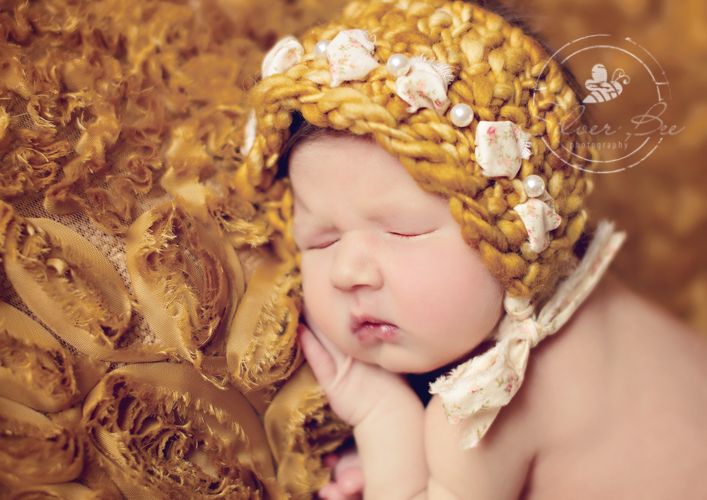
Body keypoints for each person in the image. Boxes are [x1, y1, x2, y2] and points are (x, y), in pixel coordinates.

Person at [237, 0, 707, 498]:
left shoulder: (481, 410)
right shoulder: (589, 292)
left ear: (514, 241)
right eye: (321, 238)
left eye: (403, 232)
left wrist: (385, 422)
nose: (347, 271)